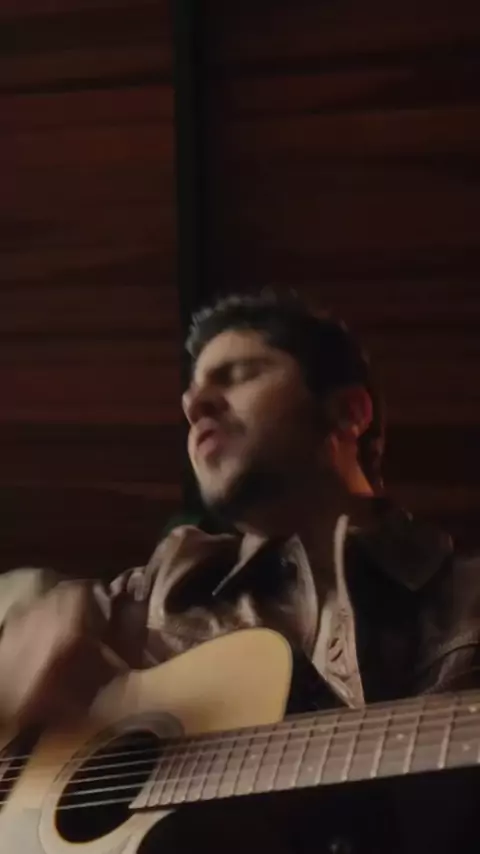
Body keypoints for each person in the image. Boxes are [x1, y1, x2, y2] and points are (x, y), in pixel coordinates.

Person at [0, 291, 479, 851]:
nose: (194, 403)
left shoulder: (468, 602)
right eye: (192, 392)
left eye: (238, 375)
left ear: (349, 413)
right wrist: (37, 605)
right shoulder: (168, 586)